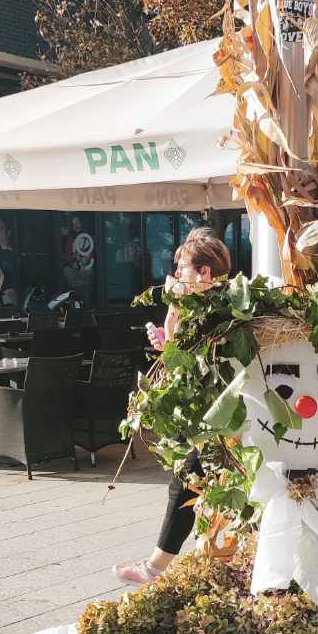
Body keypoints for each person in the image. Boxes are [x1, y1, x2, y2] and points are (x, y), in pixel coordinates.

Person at [113, 227, 233, 586]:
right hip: (217, 417)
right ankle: (185, 565)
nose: (176, 273)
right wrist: (168, 337)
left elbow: (189, 360)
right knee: (189, 486)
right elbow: (181, 356)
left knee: (186, 485)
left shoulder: (216, 310)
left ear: (204, 272)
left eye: (182, 267)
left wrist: (173, 316)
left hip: (223, 418)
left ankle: (156, 569)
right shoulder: (216, 305)